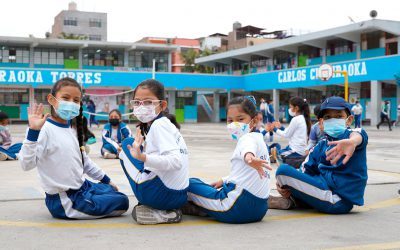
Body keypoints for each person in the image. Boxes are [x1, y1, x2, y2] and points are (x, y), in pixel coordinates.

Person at [18, 77, 129, 219]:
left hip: (83, 187)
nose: (71, 103)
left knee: (113, 191)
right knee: (122, 201)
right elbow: (26, 164)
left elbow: (85, 162)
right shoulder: (42, 130)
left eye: (76, 100)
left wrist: (106, 180)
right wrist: (33, 131)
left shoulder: (71, 129)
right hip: (66, 199)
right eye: (65, 98)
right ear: (52, 100)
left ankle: (97, 194)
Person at [272, 96, 368, 214]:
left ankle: (294, 200)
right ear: (321, 123)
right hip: (323, 188)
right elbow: (305, 170)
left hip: (338, 200)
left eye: (338, 116)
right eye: (328, 117)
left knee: (283, 170)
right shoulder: (320, 145)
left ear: (349, 120)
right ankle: (293, 198)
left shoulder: (351, 136)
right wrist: (285, 185)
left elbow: (359, 136)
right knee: (288, 172)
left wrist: (352, 142)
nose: (333, 120)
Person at [183, 96, 271, 224]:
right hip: (259, 210)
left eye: (240, 119)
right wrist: (223, 180)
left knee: (189, 184)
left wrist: (249, 157)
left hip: (235, 207)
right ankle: (204, 206)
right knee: (203, 185)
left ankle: (172, 208)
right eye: (230, 120)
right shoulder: (259, 139)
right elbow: (244, 171)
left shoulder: (246, 139)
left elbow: (248, 152)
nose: (234, 124)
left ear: (253, 121)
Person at [119, 79, 189, 225]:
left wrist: (142, 157)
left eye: (148, 102)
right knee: (134, 147)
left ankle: (160, 211)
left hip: (161, 195)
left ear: (162, 105)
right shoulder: (165, 125)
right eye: (137, 102)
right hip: (180, 195)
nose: (141, 106)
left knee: (126, 147)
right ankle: (171, 208)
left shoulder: (159, 125)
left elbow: (175, 161)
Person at [269, 97, 311, 168]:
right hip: (296, 149)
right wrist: (281, 127)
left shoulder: (296, 119)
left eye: (291, 107)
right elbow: (290, 131)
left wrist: (274, 129)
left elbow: (286, 134)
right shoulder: (302, 118)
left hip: (296, 151)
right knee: (274, 152)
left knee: (276, 154)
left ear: (296, 108)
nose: (289, 109)